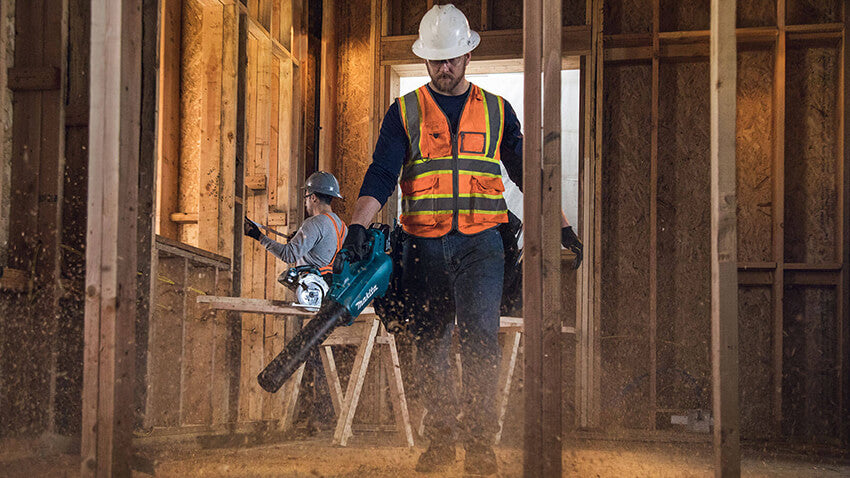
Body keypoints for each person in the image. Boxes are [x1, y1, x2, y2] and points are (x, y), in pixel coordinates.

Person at [339, 4, 583, 475]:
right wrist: (358, 226)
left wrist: (560, 224)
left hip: (482, 247)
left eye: (451, 59)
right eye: (435, 60)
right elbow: (382, 174)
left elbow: (527, 176)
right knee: (429, 344)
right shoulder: (405, 111)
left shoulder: (496, 109)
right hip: (423, 248)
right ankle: (441, 439)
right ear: (425, 60)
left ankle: (478, 444)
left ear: (468, 55)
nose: (443, 68)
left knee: (480, 343)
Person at [244, 170, 347, 280]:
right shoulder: (342, 227)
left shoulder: (314, 223)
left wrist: (258, 236)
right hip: (329, 288)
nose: (305, 202)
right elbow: (323, 254)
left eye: (306, 196)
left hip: (311, 289)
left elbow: (288, 255)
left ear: (313, 197)